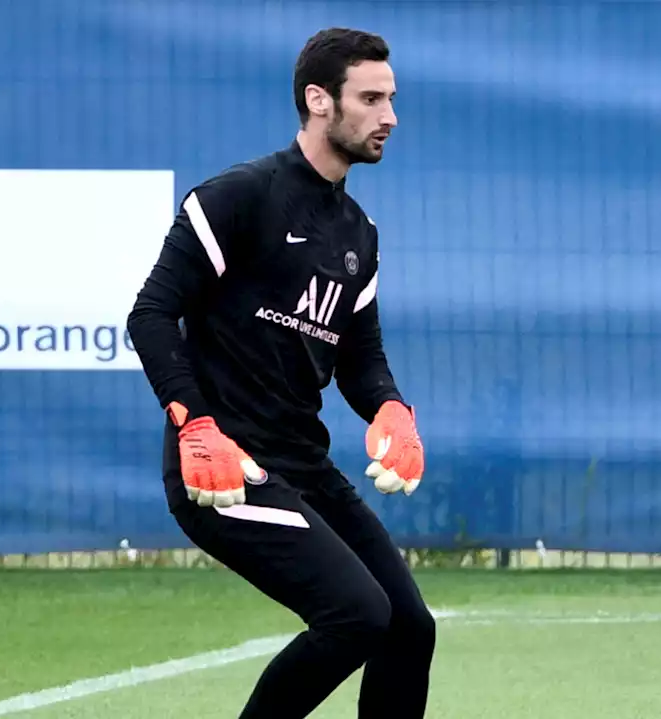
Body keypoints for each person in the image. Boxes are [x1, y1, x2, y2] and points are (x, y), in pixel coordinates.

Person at [126, 27, 435, 718]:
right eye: (372, 98)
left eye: (392, 98)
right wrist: (193, 422)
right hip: (225, 467)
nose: (390, 116)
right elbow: (150, 314)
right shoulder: (238, 196)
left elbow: (361, 358)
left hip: (303, 464)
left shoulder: (359, 231)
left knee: (409, 626)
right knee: (357, 614)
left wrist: (390, 408)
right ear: (318, 100)